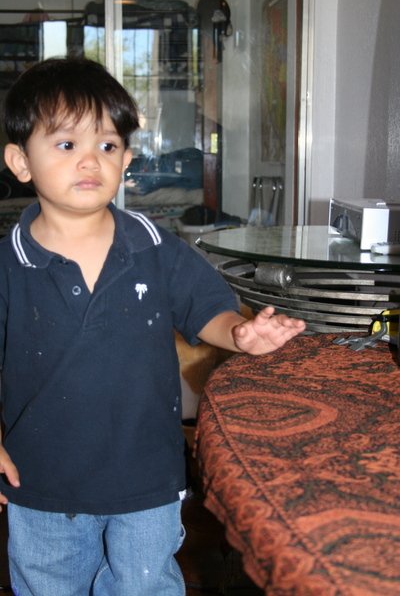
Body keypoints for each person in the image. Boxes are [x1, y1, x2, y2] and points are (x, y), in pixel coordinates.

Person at [0, 57, 305, 596]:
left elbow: (207, 309)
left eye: (108, 145)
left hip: (145, 476)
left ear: (126, 160)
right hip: (41, 480)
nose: (90, 160)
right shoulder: (8, 265)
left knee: (144, 586)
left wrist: (240, 334)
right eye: (66, 144)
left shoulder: (155, 248)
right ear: (20, 161)